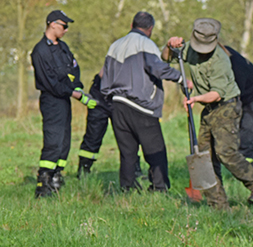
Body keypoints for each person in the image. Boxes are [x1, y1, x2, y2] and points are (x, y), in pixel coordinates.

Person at [163, 18, 253, 209]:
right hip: (209, 110)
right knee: (204, 158)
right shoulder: (188, 49)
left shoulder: (220, 60)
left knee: (225, 152)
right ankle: (218, 205)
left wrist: (195, 99)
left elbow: (217, 94)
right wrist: (170, 45)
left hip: (226, 107)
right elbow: (166, 57)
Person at [100, 12, 181, 192]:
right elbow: (157, 68)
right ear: (150, 28)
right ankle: (159, 188)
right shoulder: (146, 44)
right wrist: (181, 78)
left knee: (127, 153)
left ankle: (127, 189)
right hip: (141, 106)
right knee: (155, 151)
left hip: (118, 105)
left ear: (132, 24)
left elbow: (104, 76)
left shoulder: (115, 46)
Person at [30, 10, 96, 198]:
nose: (66, 30)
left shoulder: (63, 47)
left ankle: (57, 176)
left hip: (65, 99)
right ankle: (44, 183)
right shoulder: (40, 51)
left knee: (64, 141)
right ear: (52, 24)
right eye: (64, 26)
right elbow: (51, 82)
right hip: (52, 100)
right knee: (53, 140)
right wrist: (75, 93)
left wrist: (77, 87)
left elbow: (74, 69)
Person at [220, 44, 253, 173]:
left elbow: (236, 93)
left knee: (247, 144)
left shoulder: (235, 63)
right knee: (242, 141)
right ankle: (250, 177)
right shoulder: (227, 55)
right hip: (249, 101)